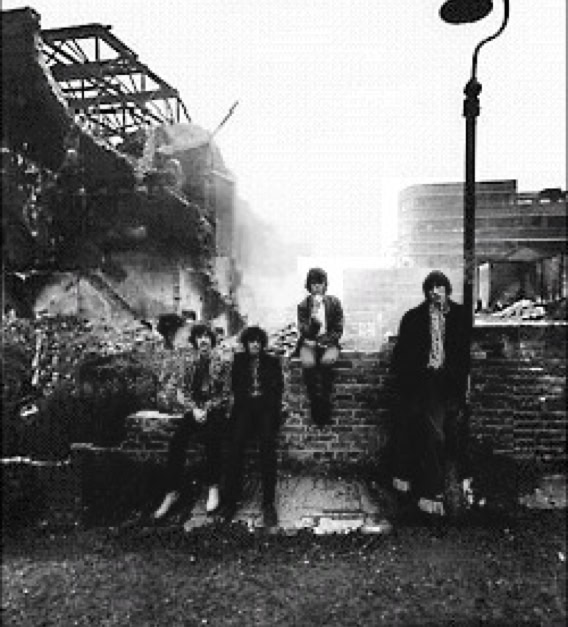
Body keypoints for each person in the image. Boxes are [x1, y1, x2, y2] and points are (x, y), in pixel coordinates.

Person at [390, 270, 469, 517]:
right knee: (433, 434)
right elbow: (401, 355)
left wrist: (463, 382)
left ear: (447, 290)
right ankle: (430, 493)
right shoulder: (414, 317)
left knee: (451, 434)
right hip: (424, 382)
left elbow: (465, 352)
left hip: (451, 382)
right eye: (431, 288)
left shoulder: (460, 316)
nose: (435, 292)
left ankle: (445, 489)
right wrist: (412, 378)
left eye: (440, 287)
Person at [153, 323, 231, 520]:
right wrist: (194, 409)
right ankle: (172, 491)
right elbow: (183, 391)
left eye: (206, 337)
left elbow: (225, 394)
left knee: (213, 439)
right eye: (199, 337)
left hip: (214, 411)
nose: (203, 340)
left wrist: (207, 408)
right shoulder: (188, 364)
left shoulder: (223, 362)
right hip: (194, 410)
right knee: (177, 442)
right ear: (195, 341)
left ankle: (213, 487)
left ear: (212, 340)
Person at [217, 326, 284, 527]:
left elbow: (278, 388)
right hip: (244, 408)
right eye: (251, 341)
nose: (255, 344)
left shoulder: (271, 361)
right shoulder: (238, 361)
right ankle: (231, 501)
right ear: (245, 343)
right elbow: (235, 389)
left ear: (262, 343)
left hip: (265, 408)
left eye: (258, 341)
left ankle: (268, 503)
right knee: (235, 446)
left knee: (268, 447)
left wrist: (271, 410)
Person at [296, 267, 344, 427]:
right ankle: (314, 401)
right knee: (308, 363)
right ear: (309, 286)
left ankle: (325, 399)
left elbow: (338, 329)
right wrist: (314, 319)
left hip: (329, 343)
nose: (317, 287)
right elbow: (304, 331)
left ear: (325, 285)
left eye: (320, 283)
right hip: (308, 343)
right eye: (313, 283)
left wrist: (323, 341)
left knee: (327, 361)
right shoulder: (303, 305)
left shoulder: (334, 303)